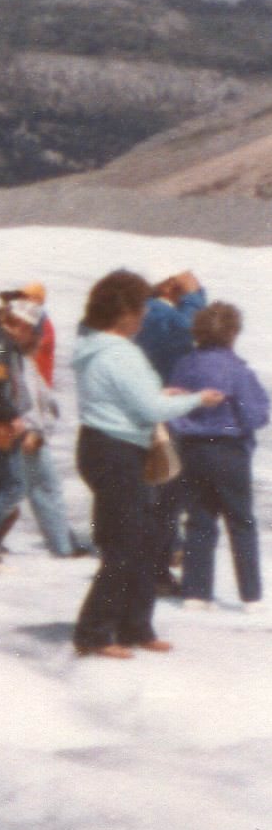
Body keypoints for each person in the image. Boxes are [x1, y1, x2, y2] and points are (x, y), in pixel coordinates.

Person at [69, 270, 224, 660]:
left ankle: (135, 627)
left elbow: (132, 397)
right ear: (125, 314)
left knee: (143, 540)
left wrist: (160, 393)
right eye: (140, 309)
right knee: (128, 544)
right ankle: (94, 632)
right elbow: (150, 408)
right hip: (118, 450)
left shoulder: (93, 346)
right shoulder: (120, 352)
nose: (143, 316)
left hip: (102, 445)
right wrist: (196, 399)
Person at [0, 285, 79, 567]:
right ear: (17, 324)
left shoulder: (0, 344)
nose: (27, 335)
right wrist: (13, 416)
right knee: (13, 485)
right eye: (26, 328)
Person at [171, 302, 265, 612]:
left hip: (192, 449)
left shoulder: (184, 365)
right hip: (229, 449)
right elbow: (256, 413)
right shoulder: (237, 370)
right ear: (232, 333)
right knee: (241, 521)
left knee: (199, 519)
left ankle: (196, 592)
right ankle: (250, 594)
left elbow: (172, 404)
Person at [139, 271, 209, 382]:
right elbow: (188, 329)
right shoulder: (157, 310)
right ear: (167, 287)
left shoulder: (160, 311)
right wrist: (193, 296)